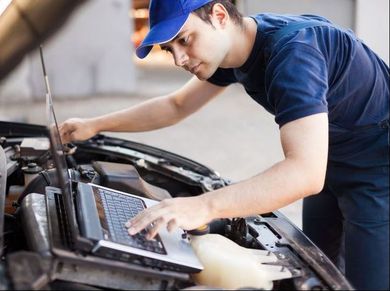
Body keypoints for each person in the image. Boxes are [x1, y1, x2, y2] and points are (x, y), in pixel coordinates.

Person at [59, 0, 389, 289]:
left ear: (218, 15)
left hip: (378, 171)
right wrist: (94, 124)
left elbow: (305, 172)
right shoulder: (238, 47)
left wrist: (203, 206)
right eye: (169, 49)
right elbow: (176, 106)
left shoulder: (293, 54)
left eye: (184, 40)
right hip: (331, 157)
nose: (179, 59)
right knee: (319, 268)